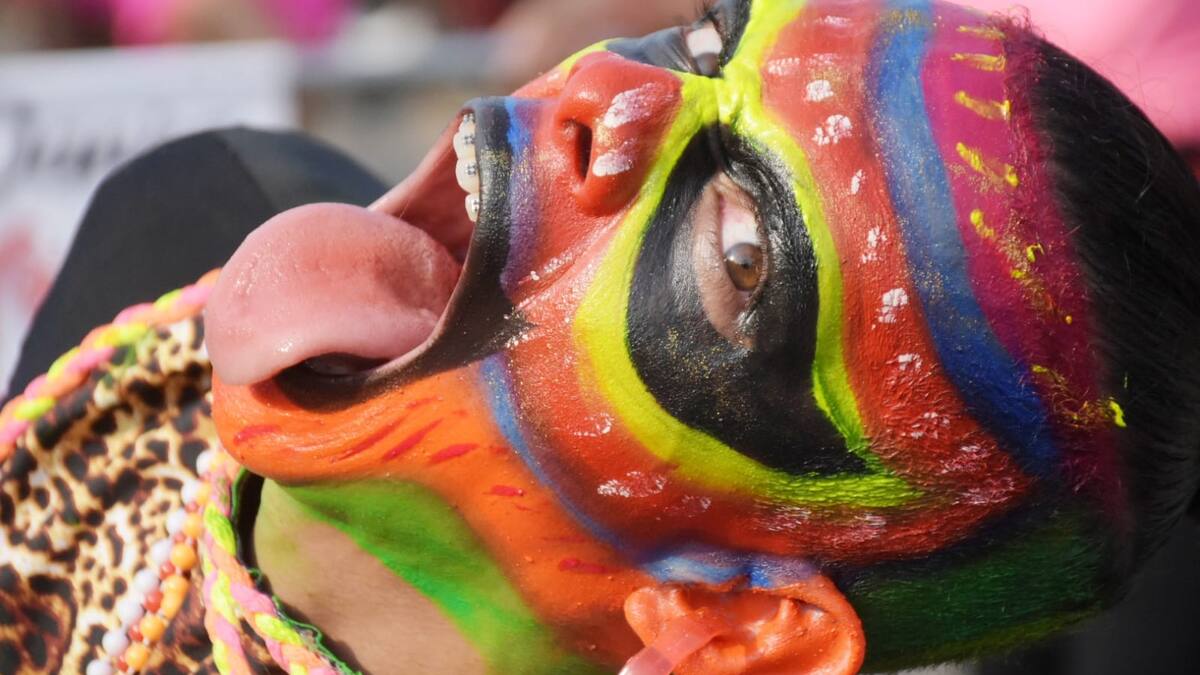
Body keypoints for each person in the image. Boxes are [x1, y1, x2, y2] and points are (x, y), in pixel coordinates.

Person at [3, 0, 1200, 673]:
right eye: (706, 44)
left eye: (741, 255)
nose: (597, 93)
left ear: (743, 625)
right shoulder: (190, 216)